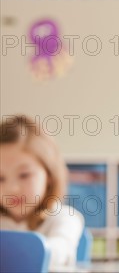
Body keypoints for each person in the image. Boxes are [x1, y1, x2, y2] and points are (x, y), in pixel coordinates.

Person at [0, 115, 84, 269]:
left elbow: (60, 251)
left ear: (49, 175)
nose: (12, 189)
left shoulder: (65, 218)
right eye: (0, 178)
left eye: (24, 175)